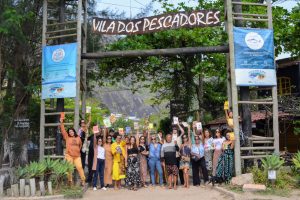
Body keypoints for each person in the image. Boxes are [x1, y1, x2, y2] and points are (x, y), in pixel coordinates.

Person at [59, 118, 86, 186]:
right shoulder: (67, 137)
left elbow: (80, 145)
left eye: (72, 131)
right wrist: (61, 123)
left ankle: (83, 180)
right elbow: (63, 131)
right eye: (70, 132)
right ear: (68, 133)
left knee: (79, 167)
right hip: (69, 155)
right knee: (70, 169)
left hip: (77, 156)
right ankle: (70, 182)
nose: (71, 132)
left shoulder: (78, 138)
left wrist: (77, 151)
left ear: (74, 132)